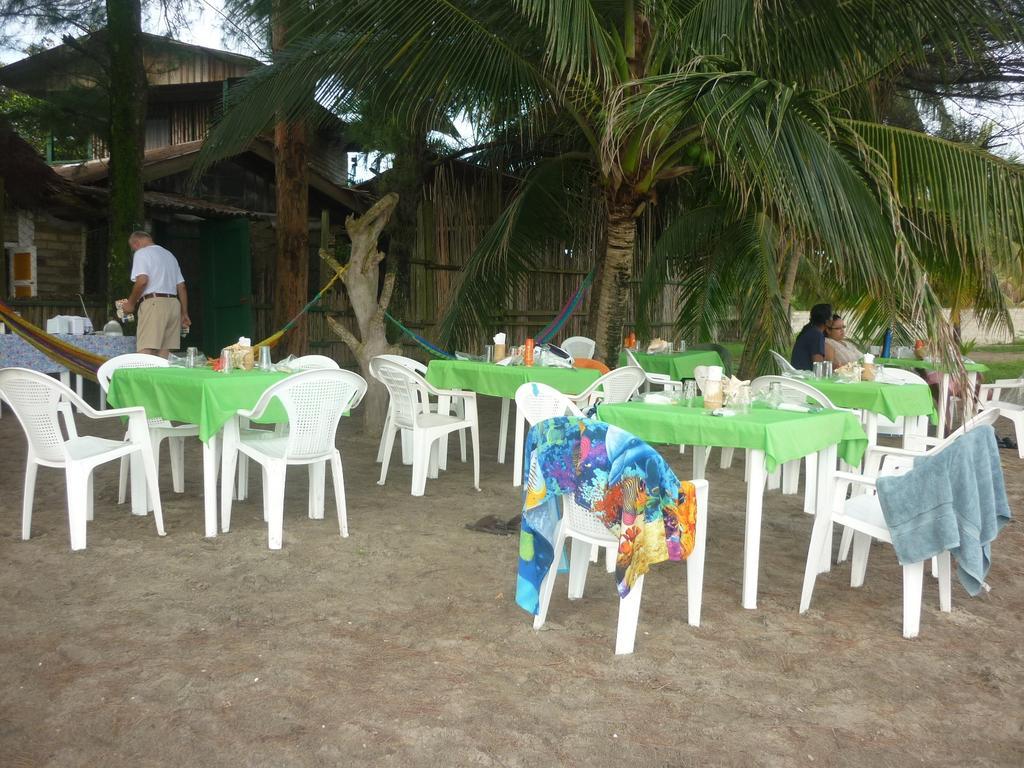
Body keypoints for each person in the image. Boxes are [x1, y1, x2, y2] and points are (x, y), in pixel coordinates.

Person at [120, 231, 191, 357]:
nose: (134, 251)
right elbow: (182, 287)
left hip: (153, 303)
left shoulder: (141, 253)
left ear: (136, 243)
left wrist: (130, 304)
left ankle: (142, 377)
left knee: (146, 349)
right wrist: (184, 313)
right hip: (174, 305)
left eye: (133, 248)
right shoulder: (170, 255)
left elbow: (142, 281)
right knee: (165, 352)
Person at [791, 303, 831, 370]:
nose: (832, 320)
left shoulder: (808, 330)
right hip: (805, 378)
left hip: (799, 374)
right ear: (827, 321)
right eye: (831, 317)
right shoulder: (816, 334)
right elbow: (818, 366)